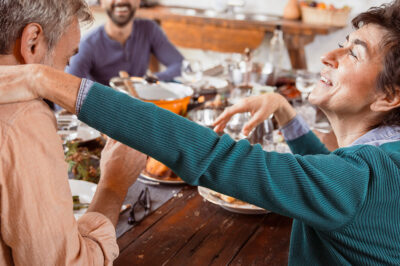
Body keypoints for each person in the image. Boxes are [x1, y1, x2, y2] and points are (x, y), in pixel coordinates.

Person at [1, 0, 400, 264]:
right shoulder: (378, 166)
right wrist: (283, 112)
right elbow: (325, 177)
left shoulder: (360, 182)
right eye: (344, 43)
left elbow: (219, 158)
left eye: (353, 52)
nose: (329, 56)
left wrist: (46, 79)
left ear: (390, 95)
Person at [0, 1, 146, 265]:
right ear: (32, 42)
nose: (65, 74)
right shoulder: (23, 120)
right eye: (67, 60)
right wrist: (113, 185)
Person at [66, 0, 184, 85]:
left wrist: (147, 81)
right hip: (105, 112)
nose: (121, 1)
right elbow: (66, 88)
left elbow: (181, 66)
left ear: (138, 2)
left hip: (141, 107)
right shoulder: (87, 45)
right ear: (101, 2)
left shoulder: (149, 30)